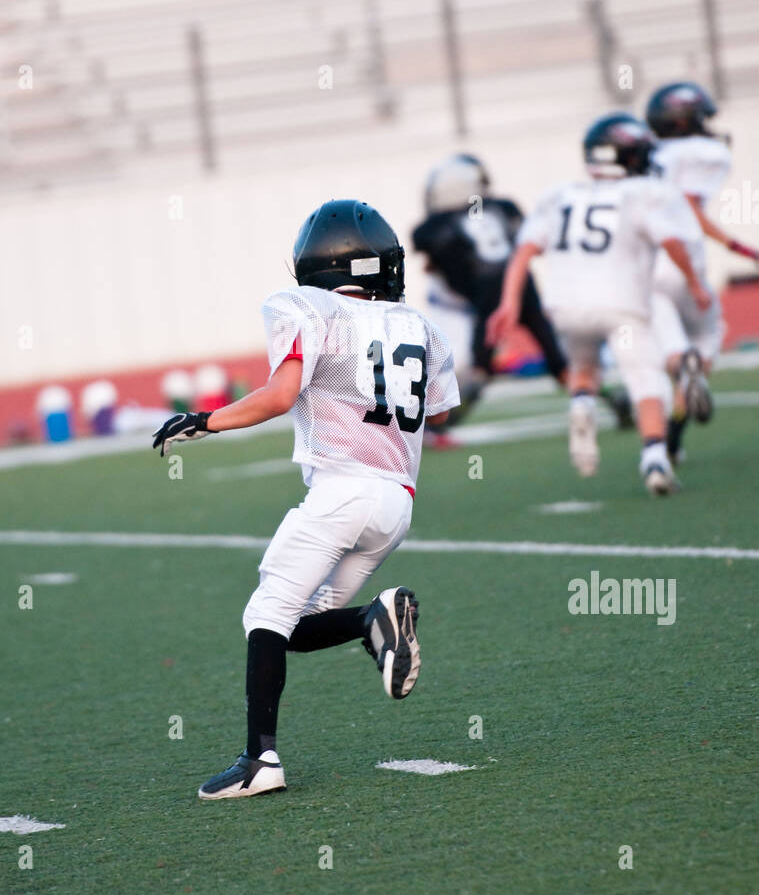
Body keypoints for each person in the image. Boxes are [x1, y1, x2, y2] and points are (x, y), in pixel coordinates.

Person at [152, 199, 459, 800]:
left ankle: (259, 760)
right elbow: (440, 407)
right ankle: (374, 620)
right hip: (396, 503)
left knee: (264, 614)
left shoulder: (306, 307)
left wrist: (205, 422)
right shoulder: (419, 325)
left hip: (340, 492)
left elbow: (279, 394)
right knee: (296, 625)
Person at [487, 114, 710, 495]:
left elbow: (525, 250)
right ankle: (655, 458)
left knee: (584, 366)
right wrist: (694, 282)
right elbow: (672, 241)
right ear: (632, 155)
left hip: (565, 306)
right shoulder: (642, 193)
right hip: (621, 302)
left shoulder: (559, 195)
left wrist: (508, 301)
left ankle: (582, 406)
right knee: (646, 379)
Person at [412, 153, 568, 438]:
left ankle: (443, 421)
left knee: (478, 366)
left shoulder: (435, 229)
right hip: (520, 284)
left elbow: (436, 257)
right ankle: (593, 397)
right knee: (553, 353)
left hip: (485, 294)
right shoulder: (503, 208)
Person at [645, 81, 759, 462]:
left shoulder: (647, 152)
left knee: (669, 348)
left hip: (643, 263)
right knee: (708, 336)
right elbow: (689, 205)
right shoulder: (705, 152)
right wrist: (737, 246)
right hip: (682, 258)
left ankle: (669, 443)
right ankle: (678, 421)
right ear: (686, 120)